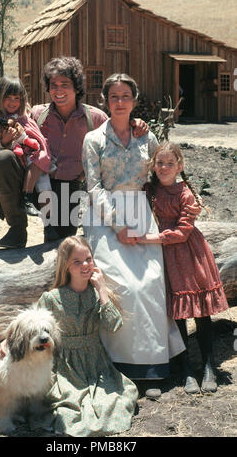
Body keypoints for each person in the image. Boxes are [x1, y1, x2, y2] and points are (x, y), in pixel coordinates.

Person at [82, 73, 187, 398]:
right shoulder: (94, 139)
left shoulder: (147, 136)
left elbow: (162, 171)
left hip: (141, 213)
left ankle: (152, 369)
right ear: (106, 101)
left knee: (150, 283)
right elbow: (94, 186)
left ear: (134, 99)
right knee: (120, 285)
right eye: (114, 96)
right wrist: (116, 226)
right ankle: (118, 368)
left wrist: (181, 206)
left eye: (126, 95)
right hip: (104, 217)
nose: (120, 102)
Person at [0, 235, 139, 437]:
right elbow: (31, 322)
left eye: (88, 259)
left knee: (114, 401)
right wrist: (6, 340)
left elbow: (114, 325)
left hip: (96, 365)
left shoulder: (97, 293)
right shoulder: (52, 298)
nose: (85, 265)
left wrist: (102, 290)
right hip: (65, 365)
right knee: (66, 407)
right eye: (77, 261)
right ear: (66, 266)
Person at [139, 142, 229, 393]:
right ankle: (186, 369)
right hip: (164, 258)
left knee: (200, 311)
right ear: (153, 166)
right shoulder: (150, 190)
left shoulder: (185, 193)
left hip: (189, 255)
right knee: (177, 313)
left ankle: (209, 366)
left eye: (170, 163)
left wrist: (150, 239)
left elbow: (182, 232)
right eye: (160, 163)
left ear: (180, 166)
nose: (164, 167)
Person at [31, 56, 149, 243]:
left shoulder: (94, 118)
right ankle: (16, 216)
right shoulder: (37, 115)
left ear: (76, 87)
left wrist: (136, 124)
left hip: (69, 187)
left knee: (62, 240)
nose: (59, 90)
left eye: (65, 84)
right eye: (54, 85)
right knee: (5, 160)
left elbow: (116, 128)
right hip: (37, 182)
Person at [0, 76, 52, 248]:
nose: (12, 102)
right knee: (2, 158)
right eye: (8, 97)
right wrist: (4, 142)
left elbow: (37, 140)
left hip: (33, 162)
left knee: (44, 184)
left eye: (17, 98)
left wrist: (36, 155)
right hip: (14, 168)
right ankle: (17, 229)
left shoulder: (26, 118)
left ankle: (51, 227)